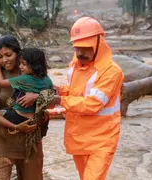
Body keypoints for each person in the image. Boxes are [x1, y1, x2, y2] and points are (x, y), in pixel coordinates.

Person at [50, 17, 124, 180]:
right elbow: (76, 91)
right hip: (79, 137)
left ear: (99, 44)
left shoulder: (111, 72)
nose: (80, 53)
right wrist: (59, 90)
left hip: (102, 140)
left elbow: (93, 104)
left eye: (86, 48)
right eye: (77, 48)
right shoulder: (75, 65)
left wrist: (59, 101)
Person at [0, 35, 44, 180]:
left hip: (30, 141)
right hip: (2, 140)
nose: (4, 60)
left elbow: (53, 97)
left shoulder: (33, 73)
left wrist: (36, 97)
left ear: (18, 54)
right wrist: (14, 127)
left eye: (9, 55)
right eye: (0, 56)